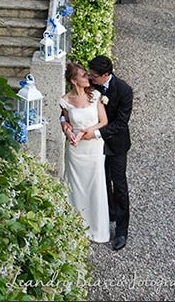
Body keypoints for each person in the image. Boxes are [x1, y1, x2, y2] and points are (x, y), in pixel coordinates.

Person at [84, 55, 133, 251]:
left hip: (116, 144)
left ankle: (121, 231)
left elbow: (121, 123)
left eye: (94, 76)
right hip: (92, 146)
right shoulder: (89, 84)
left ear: (106, 75)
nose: (90, 78)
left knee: (119, 185)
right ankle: (106, 214)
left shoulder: (124, 90)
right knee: (100, 180)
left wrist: (97, 132)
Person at [59, 62, 110, 243]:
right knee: (76, 186)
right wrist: (67, 131)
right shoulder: (65, 100)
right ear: (73, 81)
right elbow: (65, 120)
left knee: (94, 185)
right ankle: (77, 226)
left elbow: (103, 121)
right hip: (75, 150)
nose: (87, 77)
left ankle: (96, 228)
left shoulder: (95, 96)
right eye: (83, 76)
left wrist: (86, 132)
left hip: (93, 148)